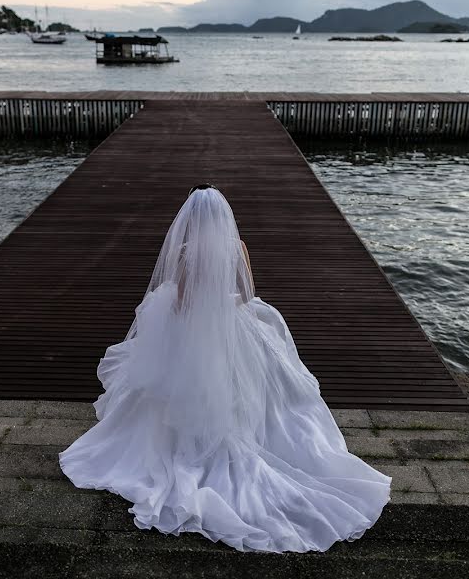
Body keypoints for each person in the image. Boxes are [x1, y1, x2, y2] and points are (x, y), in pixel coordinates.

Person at [59, 184, 391, 553]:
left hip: (197, 329)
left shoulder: (188, 255)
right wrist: (221, 307)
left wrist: (169, 313)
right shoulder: (238, 248)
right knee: (254, 376)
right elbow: (247, 296)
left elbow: (182, 305)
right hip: (230, 323)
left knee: (164, 368)